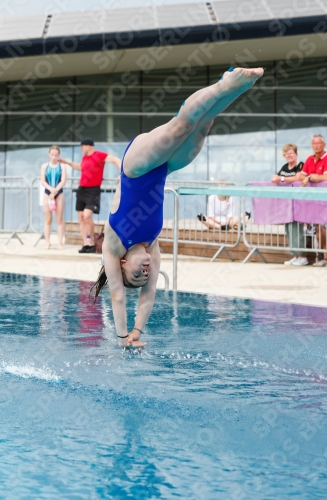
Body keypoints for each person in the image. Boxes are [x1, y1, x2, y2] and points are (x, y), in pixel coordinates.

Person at [91, 66, 264, 348]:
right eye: (144, 275)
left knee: (181, 125)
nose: (145, 271)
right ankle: (238, 87)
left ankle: (225, 83)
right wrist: (139, 331)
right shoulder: (153, 244)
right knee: (204, 124)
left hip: (136, 166)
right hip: (164, 169)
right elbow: (149, 295)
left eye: (137, 273)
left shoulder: (113, 246)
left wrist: (123, 337)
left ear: (122, 264)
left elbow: (118, 296)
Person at [60, 138, 121, 253]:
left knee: (87, 215)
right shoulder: (84, 158)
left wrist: (121, 174)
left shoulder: (99, 155)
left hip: (93, 190)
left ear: (89, 146)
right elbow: (80, 167)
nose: (81, 149)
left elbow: (116, 160)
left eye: (82, 146)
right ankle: (86, 243)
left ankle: (92, 242)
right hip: (82, 189)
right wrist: (67, 163)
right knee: (81, 217)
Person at [271, 143, 307, 266]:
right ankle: (295, 255)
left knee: (297, 229)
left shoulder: (301, 165)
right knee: (289, 229)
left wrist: (281, 179)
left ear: (296, 154)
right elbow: (277, 176)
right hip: (286, 204)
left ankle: (302, 256)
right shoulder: (284, 167)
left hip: (298, 203)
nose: (289, 155)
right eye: (287, 153)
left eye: (291, 153)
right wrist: (276, 178)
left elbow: (297, 178)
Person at [300, 135, 327, 267]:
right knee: (318, 227)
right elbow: (301, 175)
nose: (316, 145)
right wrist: (309, 177)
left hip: (326, 200)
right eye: (314, 143)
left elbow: (326, 177)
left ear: (324, 145)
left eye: (319, 143)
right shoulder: (309, 159)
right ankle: (321, 256)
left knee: (321, 226)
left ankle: (325, 257)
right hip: (313, 200)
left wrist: (313, 178)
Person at [40, 145, 67, 250]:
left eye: (56, 155)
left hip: (59, 192)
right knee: (48, 219)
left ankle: (60, 243)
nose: (54, 157)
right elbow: (43, 181)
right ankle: (47, 243)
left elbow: (63, 180)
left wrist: (55, 190)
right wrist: (51, 190)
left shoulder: (62, 166)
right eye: (52, 155)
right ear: (49, 155)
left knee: (59, 219)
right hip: (48, 192)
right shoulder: (44, 166)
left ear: (59, 155)